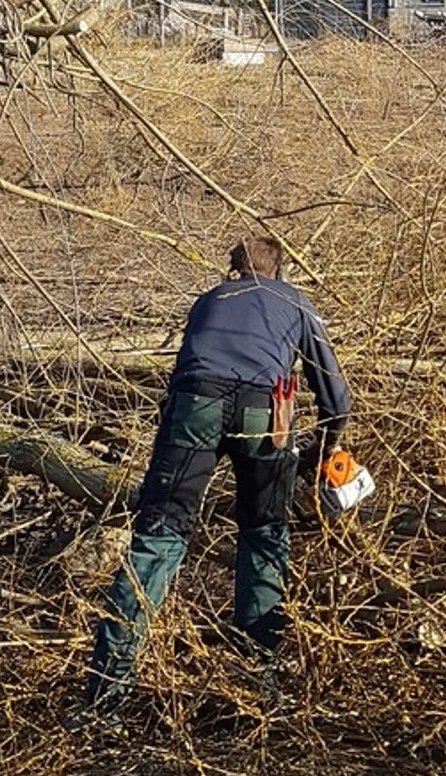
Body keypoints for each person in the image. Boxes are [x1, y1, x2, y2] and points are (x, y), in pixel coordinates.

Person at [85, 232, 351, 710]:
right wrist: (322, 453)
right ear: (279, 270)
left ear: (234, 270)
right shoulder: (295, 302)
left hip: (194, 405)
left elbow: (187, 367)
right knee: (265, 535)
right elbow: (336, 398)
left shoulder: (208, 300)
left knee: (159, 536)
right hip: (265, 412)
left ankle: (106, 694)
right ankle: (257, 686)